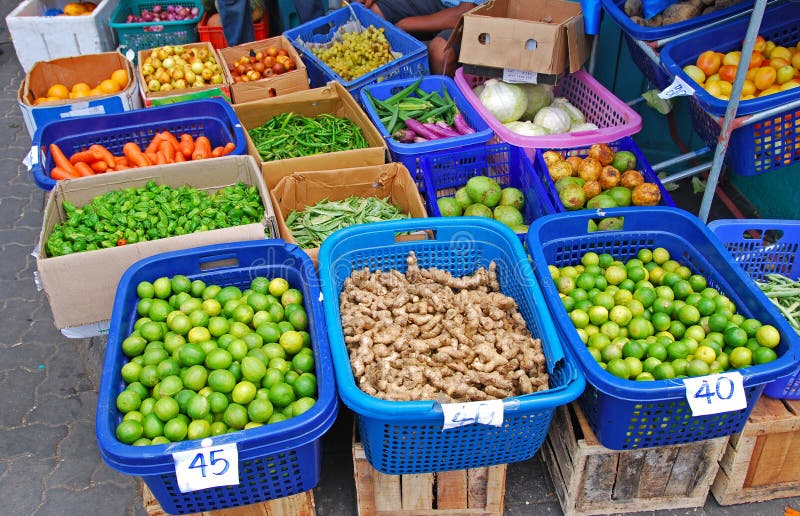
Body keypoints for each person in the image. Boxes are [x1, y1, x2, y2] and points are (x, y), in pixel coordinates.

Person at [354, 0, 486, 76]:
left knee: (441, 52)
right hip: (440, 2)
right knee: (375, 11)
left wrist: (405, 24)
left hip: (472, 17)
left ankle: (445, 100)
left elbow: (464, 13)